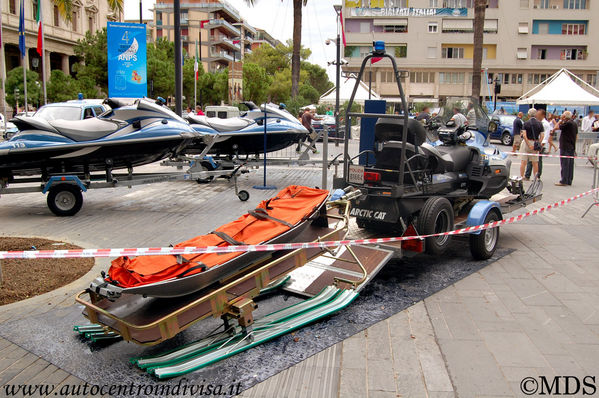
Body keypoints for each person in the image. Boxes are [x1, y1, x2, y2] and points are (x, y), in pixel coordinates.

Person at [525, 109, 550, 179]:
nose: (537, 116)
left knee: (538, 160)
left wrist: (541, 144)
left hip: (540, 144)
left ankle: (538, 175)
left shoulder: (545, 124)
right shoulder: (538, 122)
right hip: (535, 142)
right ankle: (527, 175)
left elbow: (545, 135)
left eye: (538, 115)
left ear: (543, 115)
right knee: (530, 160)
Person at [520, 108, 543, 180]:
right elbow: (542, 135)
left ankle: (522, 176)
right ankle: (536, 177)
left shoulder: (526, 123)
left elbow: (524, 135)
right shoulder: (540, 123)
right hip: (535, 142)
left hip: (527, 142)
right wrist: (538, 142)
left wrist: (529, 144)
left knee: (523, 161)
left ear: (528, 115)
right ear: (536, 114)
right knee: (535, 162)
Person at [555, 111, 577, 186]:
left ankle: (564, 180)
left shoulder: (567, 124)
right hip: (571, 145)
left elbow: (556, 127)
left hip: (565, 146)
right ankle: (569, 179)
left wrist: (560, 121)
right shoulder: (574, 123)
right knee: (570, 164)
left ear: (565, 117)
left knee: (564, 163)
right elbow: (576, 135)